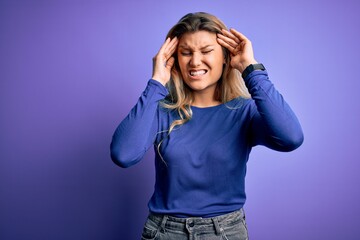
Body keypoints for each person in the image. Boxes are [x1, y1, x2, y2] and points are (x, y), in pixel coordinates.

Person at [110, 12, 303, 240]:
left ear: (225, 56)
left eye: (206, 51)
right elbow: (123, 154)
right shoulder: (161, 111)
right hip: (164, 232)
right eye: (186, 53)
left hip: (226, 232)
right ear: (174, 58)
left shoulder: (244, 112)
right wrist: (156, 83)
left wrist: (251, 70)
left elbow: (291, 138)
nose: (195, 61)